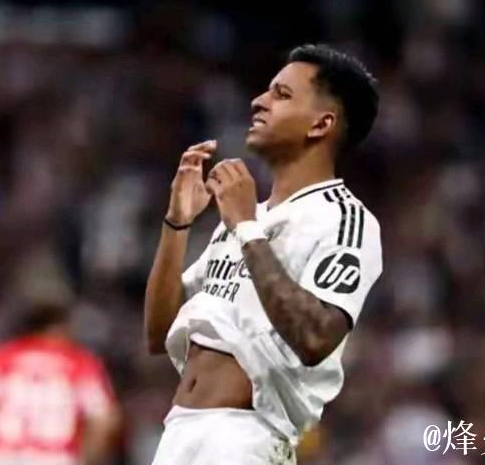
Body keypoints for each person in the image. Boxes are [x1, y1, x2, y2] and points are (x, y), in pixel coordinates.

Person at [144, 44, 383, 463]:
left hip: (246, 438)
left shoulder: (344, 219)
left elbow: (316, 337)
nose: (258, 101)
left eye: (282, 94)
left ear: (321, 124)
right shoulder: (242, 218)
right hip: (179, 431)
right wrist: (177, 224)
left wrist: (246, 228)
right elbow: (158, 333)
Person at [0, 299, 121, 465]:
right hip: (55, 456)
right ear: (58, 327)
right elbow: (105, 421)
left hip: (2, 457)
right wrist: (84, 457)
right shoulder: (80, 363)